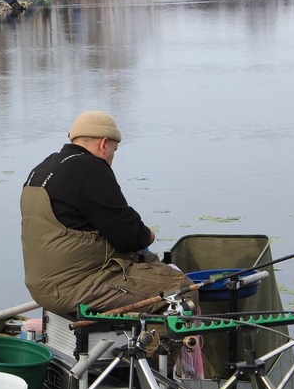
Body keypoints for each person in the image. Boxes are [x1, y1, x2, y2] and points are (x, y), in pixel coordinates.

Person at [20, 110, 198, 318]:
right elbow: (128, 235)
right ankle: (151, 348)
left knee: (150, 261)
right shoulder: (90, 168)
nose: (113, 156)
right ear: (104, 144)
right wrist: (147, 235)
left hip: (42, 287)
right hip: (73, 287)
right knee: (182, 289)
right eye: (115, 149)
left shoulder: (43, 168)